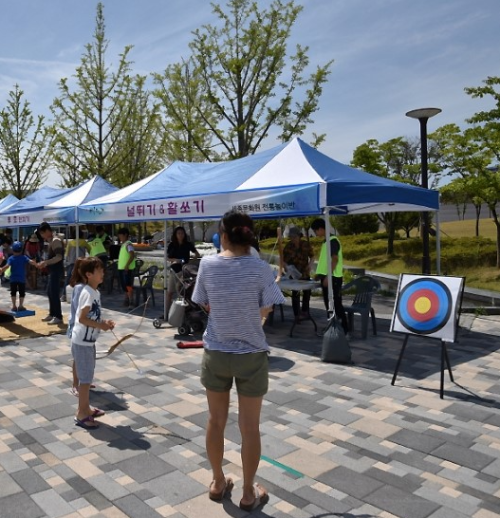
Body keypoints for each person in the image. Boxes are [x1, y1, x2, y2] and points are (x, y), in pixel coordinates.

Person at [192, 210, 285, 512]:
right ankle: (248, 491)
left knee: (215, 421)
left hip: (216, 352)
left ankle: (218, 481)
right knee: (250, 428)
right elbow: (266, 309)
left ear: (224, 234)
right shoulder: (260, 268)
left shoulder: (208, 264)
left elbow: (204, 302)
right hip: (251, 355)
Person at [71, 257, 114, 429]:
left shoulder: (95, 292)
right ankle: (81, 414)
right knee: (85, 379)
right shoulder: (88, 293)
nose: (102, 272)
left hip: (88, 342)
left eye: (102, 270)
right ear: (88, 274)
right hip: (82, 342)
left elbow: (92, 316)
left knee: (87, 378)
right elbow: (82, 318)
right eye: (99, 270)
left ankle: (86, 408)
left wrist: (104, 322)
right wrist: (101, 326)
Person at [311, 218, 349, 334]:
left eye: (315, 231)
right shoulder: (326, 242)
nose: (315, 233)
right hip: (327, 277)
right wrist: (319, 275)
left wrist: (328, 277)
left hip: (333, 278)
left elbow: (334, 259)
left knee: (336, 304)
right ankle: (333, 327)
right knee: (329, 305)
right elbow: (325, 262)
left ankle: (344, 329)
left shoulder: (332, 241)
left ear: (321, 229)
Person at [282, 226, 315, 322]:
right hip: (293, 274)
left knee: (307, 292)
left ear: (299, 236)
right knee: (295, 294)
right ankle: (296, 315)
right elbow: (283, 260)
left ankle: (305, 311)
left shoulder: (305, 244)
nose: (293, 239)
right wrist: (286, 267)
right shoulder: (288, 246)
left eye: (294, 237)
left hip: (305, 273)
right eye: (291, 237)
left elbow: (312, 256)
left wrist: (310, 265)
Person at [166, 226, 201, 313]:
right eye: (178, 233)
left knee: (182, 292)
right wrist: (175, 260)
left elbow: (197, 254)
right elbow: (167, 258)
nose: (180, 235)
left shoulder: (188, 244)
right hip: (174, 270)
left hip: (184, 271)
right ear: (175, 234)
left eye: (182, 233)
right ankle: (167, 312)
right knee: (169, 292)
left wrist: (190, 262)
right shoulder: (172, 244)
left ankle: (183, 312)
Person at [37, 222, 65, 325]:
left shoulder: (56, 241)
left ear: (47, 231)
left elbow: (59, 257)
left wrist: (46, 263)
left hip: (57, 271)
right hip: (52, 270)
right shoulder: (51, 241)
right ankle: (52, 313)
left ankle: (58, 316)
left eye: (42, 233)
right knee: (50, 292)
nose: (42, 236)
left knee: (54, 292)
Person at [0, 241, 37, 312]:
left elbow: (7, 266)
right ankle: (20, 305)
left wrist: (2, 270)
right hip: (21, 279)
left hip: (13, 279)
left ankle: (14, 306)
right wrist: (36, 264)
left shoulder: (11, 258)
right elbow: (30, 261)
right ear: (21, 250)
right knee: (22, 292)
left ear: (13, 250)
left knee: (13, 292)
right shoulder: (23, 257)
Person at [62, 231, 91, 302]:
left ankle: (64, 295)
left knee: (68, 278)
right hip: (81, 262)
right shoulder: (84, 242)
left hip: (72, 262)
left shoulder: (70, 243)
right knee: (83, 279)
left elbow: (66, 253)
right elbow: (90, 250)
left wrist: (66, 262)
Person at [117, 227, 136, 307]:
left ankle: (131, 301)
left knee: (128, 285)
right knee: (124, 285)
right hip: (122, 268)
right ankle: (127, 300)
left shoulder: (128, 244)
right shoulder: (123, 244)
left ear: (125, 235)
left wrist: (127, 265)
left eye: (120, 235)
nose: (119, 237)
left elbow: (132, 255)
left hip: (126, 269)